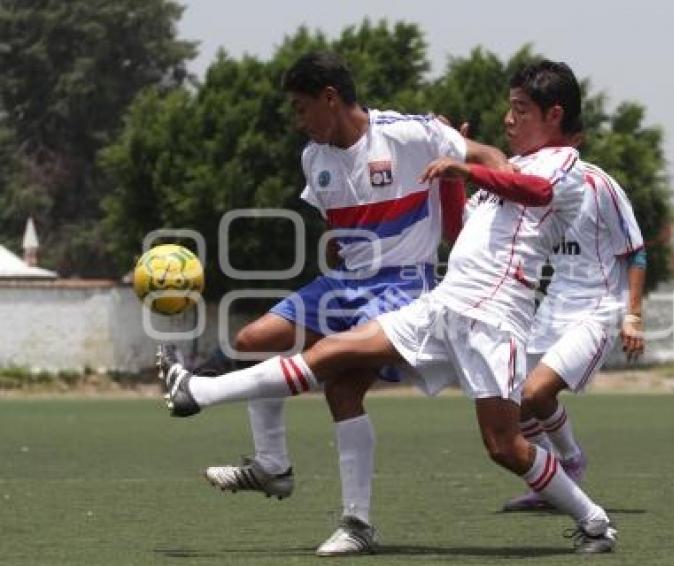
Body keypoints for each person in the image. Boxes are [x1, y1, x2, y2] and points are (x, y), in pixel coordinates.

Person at [158, 60, 620, 554]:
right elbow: (457, 233)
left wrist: (465, 164)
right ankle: (200, 393)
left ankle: (594, 522)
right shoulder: (506, 169)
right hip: (444, 305)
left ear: (554, 115)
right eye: (509, 109)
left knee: (504, 446)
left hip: (492, 318)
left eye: (520, 110)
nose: (508, 120)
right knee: (332, 355)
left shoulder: (564, 165)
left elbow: (541, 192)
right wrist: (451, 182)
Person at [192, 50, 505, 554]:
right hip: (343, 281)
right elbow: (337, 233)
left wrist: (504, 215)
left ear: (330, 98)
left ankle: (357, 525)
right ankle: (272, 466)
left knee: (341, 388)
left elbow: (488, 156)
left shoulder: (408, 133)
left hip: (403, 285)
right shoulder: (314, 159)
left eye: (300, 107)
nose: (297, 120)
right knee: (252, 341)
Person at [502, 145, 647, 511]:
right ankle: (550, 480)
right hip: (553, 305)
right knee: (512, 402)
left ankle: (570, 462)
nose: (510, 123)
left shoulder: (599, 185)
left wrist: (633, 315)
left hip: (597, 308)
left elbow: (636, 251)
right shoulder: (533, 182)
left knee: (536, 394)